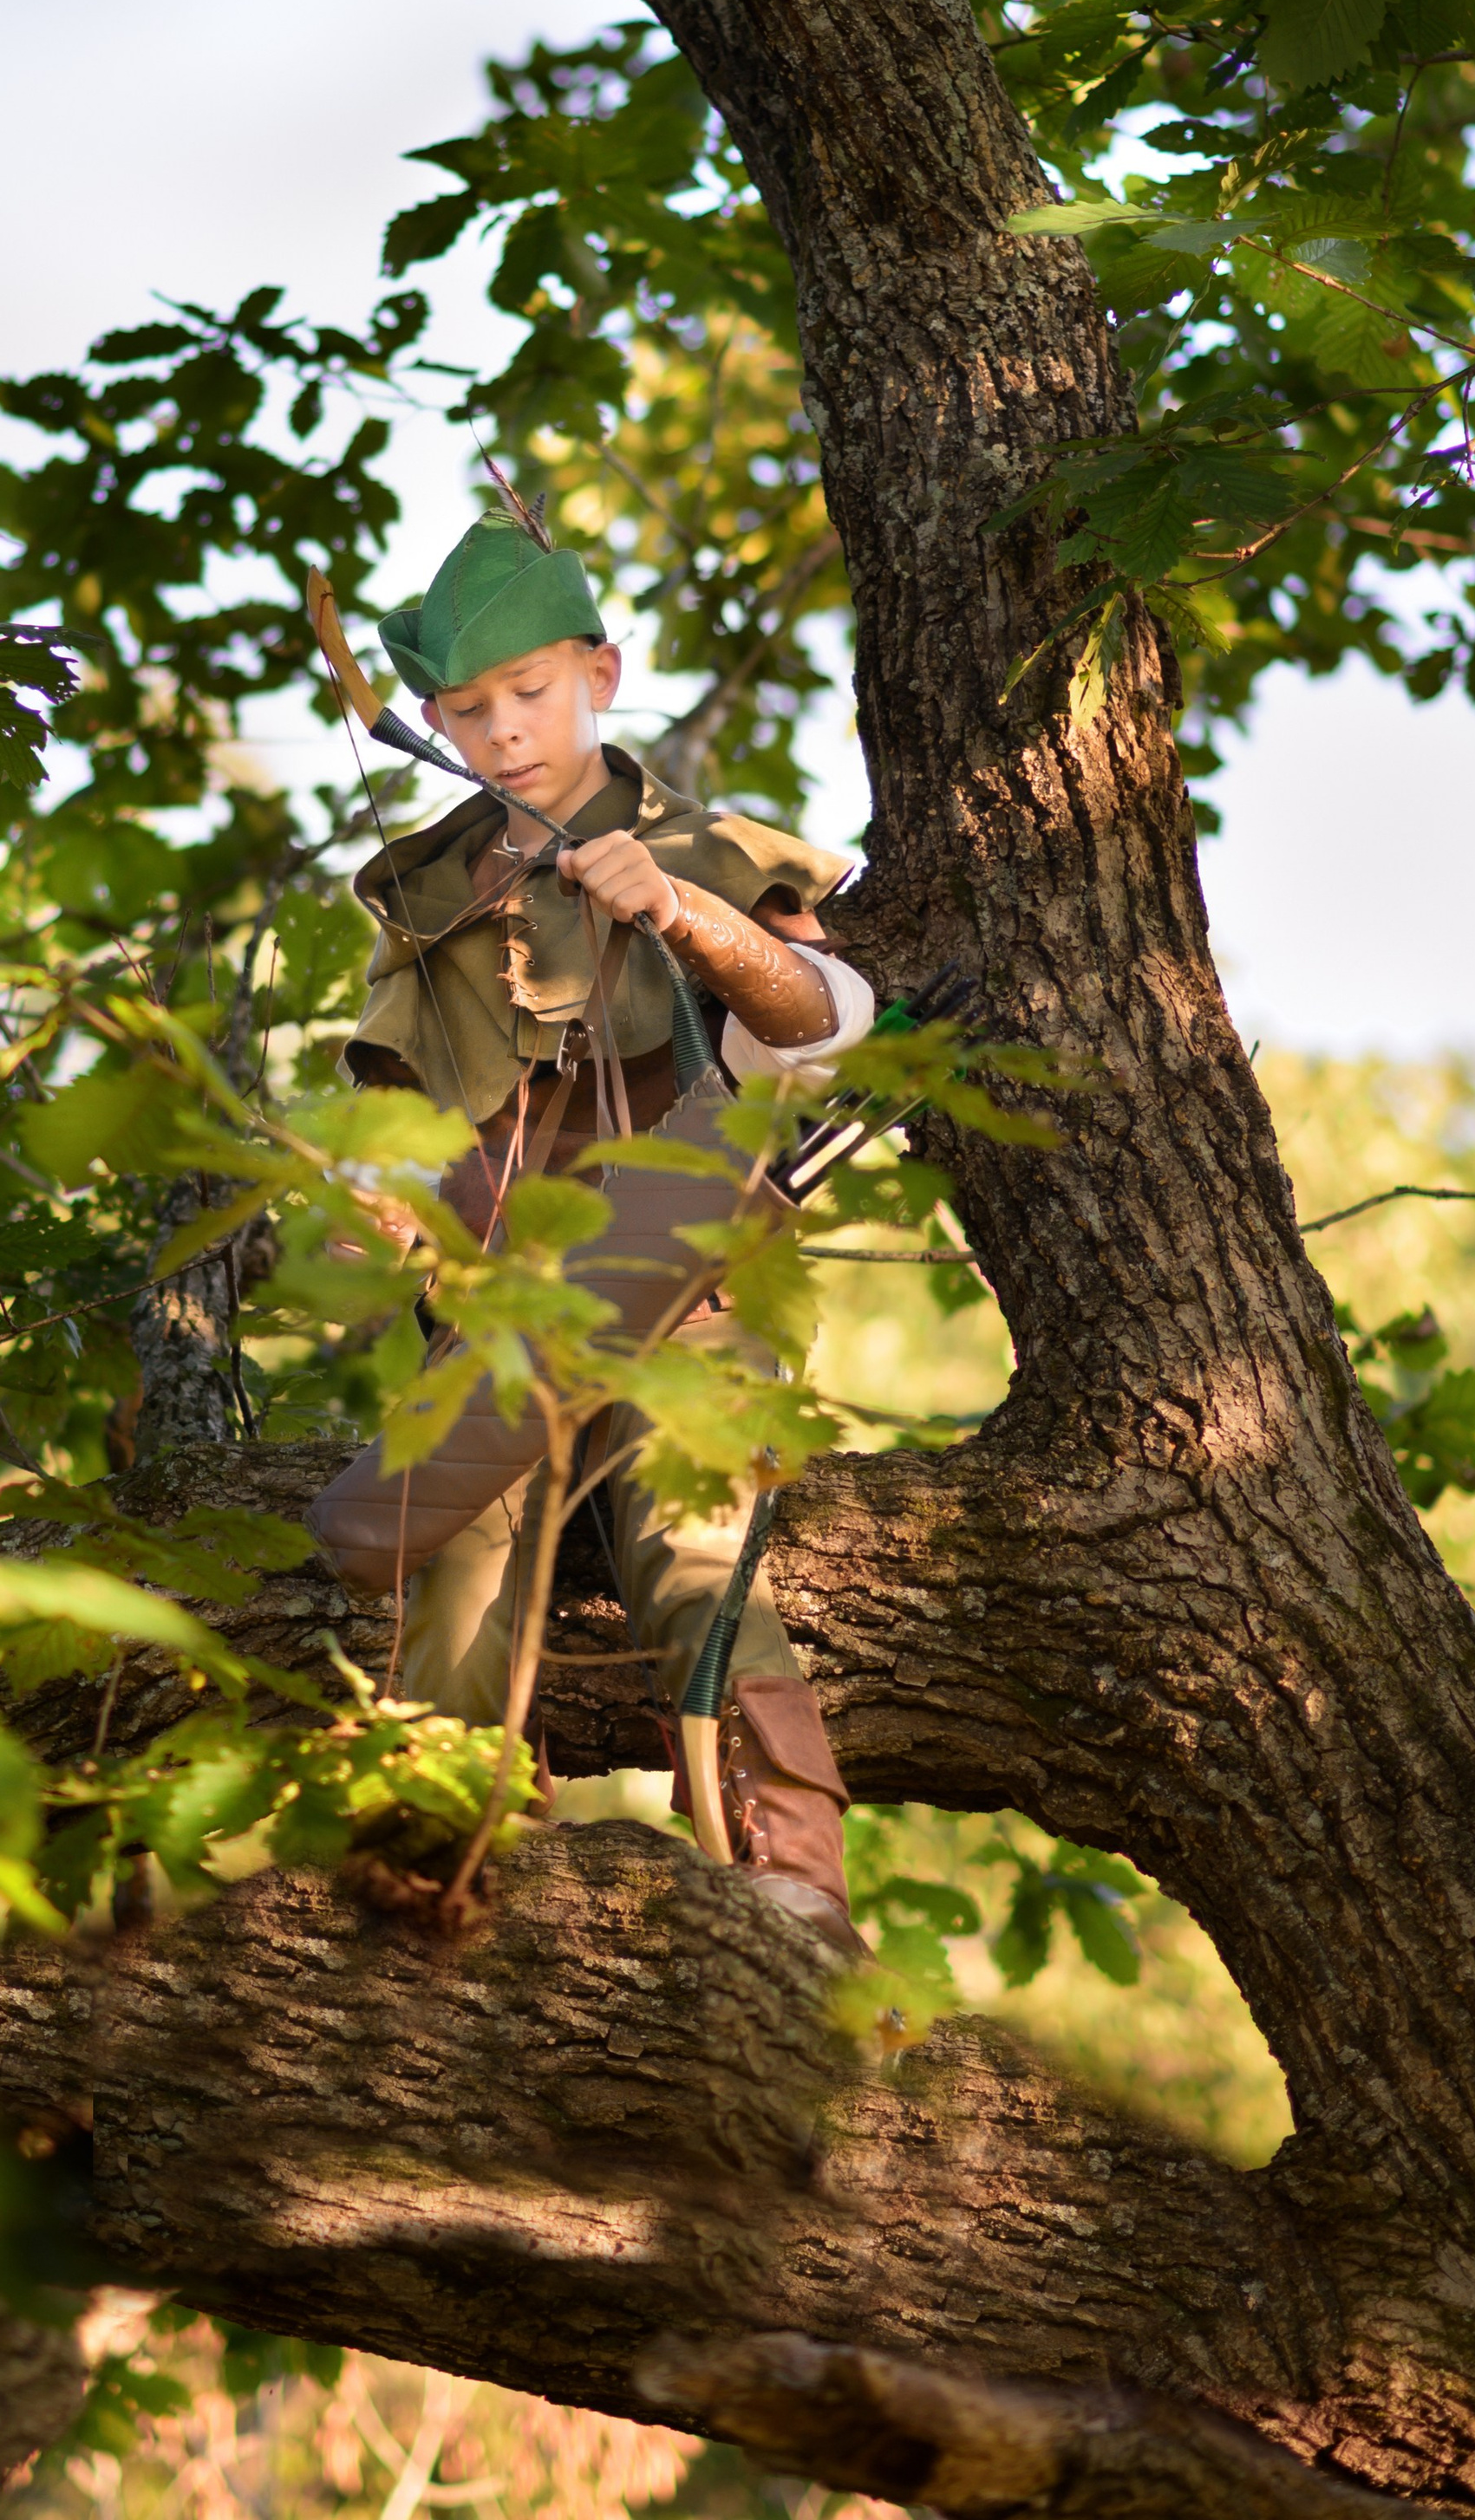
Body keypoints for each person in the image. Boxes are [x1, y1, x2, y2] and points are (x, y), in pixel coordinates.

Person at [303, 513, 875, 1950]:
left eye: (531, 691)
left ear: (601, 675)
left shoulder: (708, 846)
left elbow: (827, 1022)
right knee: (447, 1569)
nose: (502, 730)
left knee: (695, 1557)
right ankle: (445, 1882)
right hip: (501, 1322)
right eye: (466, 708)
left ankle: (794, 1893)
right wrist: (384, 1205)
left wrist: (682, 914)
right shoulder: (427, 895)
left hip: (686, 1298)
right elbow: (406, 1112)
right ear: (435, 723)